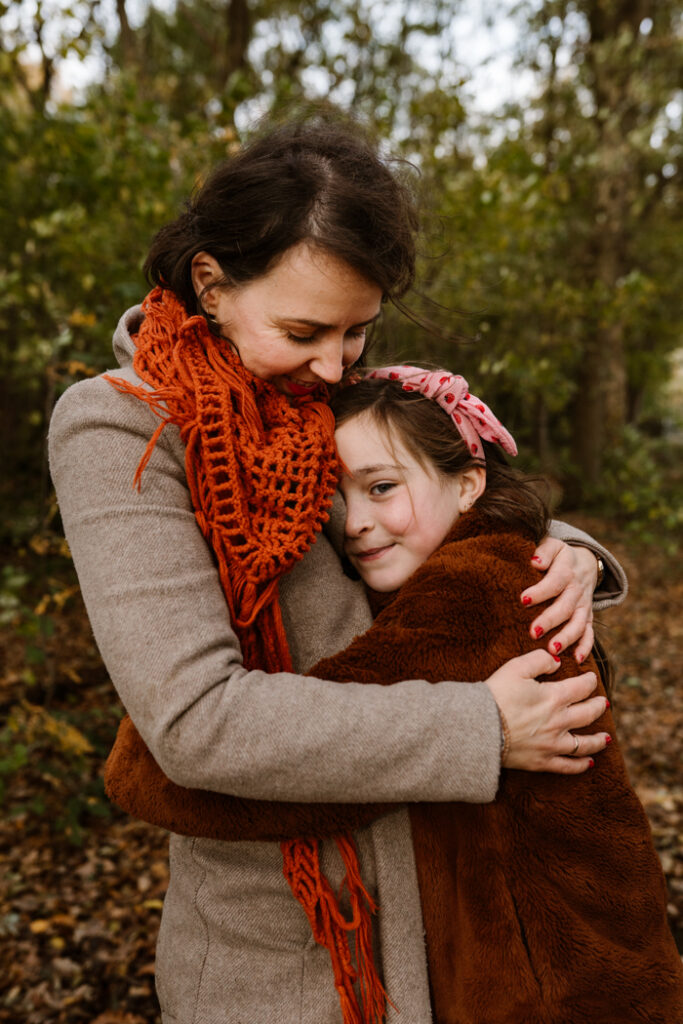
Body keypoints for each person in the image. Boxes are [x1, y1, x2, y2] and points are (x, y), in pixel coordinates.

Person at [48, 119, 627, 1024]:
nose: (331, 365)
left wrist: (565, 554)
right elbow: (196, 720)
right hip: (285, 955)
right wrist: (476, 728)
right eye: (304, 329)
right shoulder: (119, 429)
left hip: (447, 910)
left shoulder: (321, 389)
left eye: (357, 331)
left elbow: (439, 493)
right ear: (211, 283)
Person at [306, 365, 682, 1023]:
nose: (355, 523)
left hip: (544, 991)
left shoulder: (462, 594)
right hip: (610, 960)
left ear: (467, 483)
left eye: (382, 487)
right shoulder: (497, 561)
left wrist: (176, 737)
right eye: (337, 498)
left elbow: (296, 759)